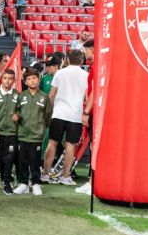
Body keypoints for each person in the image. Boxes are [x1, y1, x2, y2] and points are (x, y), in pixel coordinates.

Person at [41, 49, 90, 186]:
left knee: (52, 143)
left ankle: (45, 175)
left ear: (67, 59)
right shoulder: (86, 75)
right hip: (75, 115)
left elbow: (52, 94)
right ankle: (65, 176)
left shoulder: (60, 73)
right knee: (70, 146)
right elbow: (87, 97)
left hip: (59, 113)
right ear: (82, 61)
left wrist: (51, 110)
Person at [12, 67, 52, 195]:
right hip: (22, 134)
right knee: (22, 161)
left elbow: (48, 116)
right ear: (25, 82)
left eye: (34, 78)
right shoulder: (21, 96)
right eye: (29, 79)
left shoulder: (44, 97)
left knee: (35, 161)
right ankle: (23, 183)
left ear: (39, 79)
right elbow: (17, 110)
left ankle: (36, 184)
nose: (32, 81)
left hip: (36, 135)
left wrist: (40, 128)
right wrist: (17, 116)